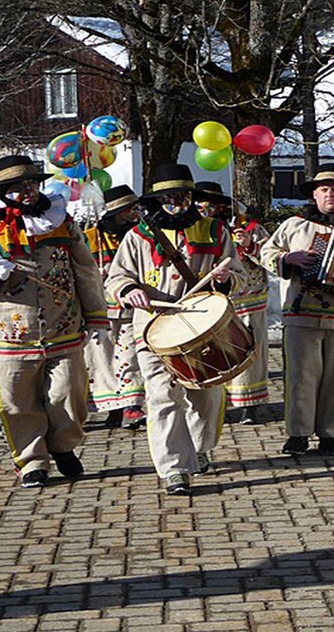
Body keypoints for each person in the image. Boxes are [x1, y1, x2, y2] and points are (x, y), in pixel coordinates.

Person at [0, 155, 108, 488]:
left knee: (69, 394)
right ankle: (31, 461)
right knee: (16, 402)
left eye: (29, 185)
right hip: (10, 334)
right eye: (16, 188)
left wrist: (96, 315)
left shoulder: (61, 222)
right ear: (3, 192)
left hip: (63, 327)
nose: (25, 192)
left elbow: (85, 271)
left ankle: (62, 445)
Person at [105, 164, 244, 495]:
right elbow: (116, 278)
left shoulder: (215, 231)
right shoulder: (138, 236)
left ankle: (199, 448)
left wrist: (229, 280)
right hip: (154, 332)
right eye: (168, 198)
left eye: (182, 198)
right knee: (163, 398)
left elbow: (240, 273)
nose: (176, 204)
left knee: (207, 399)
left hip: (204, 330)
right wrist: (128, 290)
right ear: (156, 201)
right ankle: (174, 468)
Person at [260, 163, 334, 457]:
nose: (330, 194)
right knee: (301, 376)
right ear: (314, 194)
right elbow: (266, 252)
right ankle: (298, 434)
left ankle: (332, 434)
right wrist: (289, 258)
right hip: (303, 313)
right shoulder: (294, 226)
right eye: (323, 189)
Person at [195, 180, 270, 425]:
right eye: (198, 202)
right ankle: (220, 402)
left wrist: (249, 245)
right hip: (217, 302)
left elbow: (270, 258)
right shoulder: (200, 229)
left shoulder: (249, 227)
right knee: (219, 352)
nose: (201, 207)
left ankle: (250, 404)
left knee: (249, 349)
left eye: (206, 202)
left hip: (249, 298)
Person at [83, 185, 147, 430]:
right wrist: (94, 274)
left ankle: (133, 405)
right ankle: (114, 406)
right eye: (127, 210)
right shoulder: (89, 237)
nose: (133, 214)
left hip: (133, 309)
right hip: (100, 309)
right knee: (103, 359)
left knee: (130, 355)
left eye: (135, 209)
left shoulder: (142, 235)